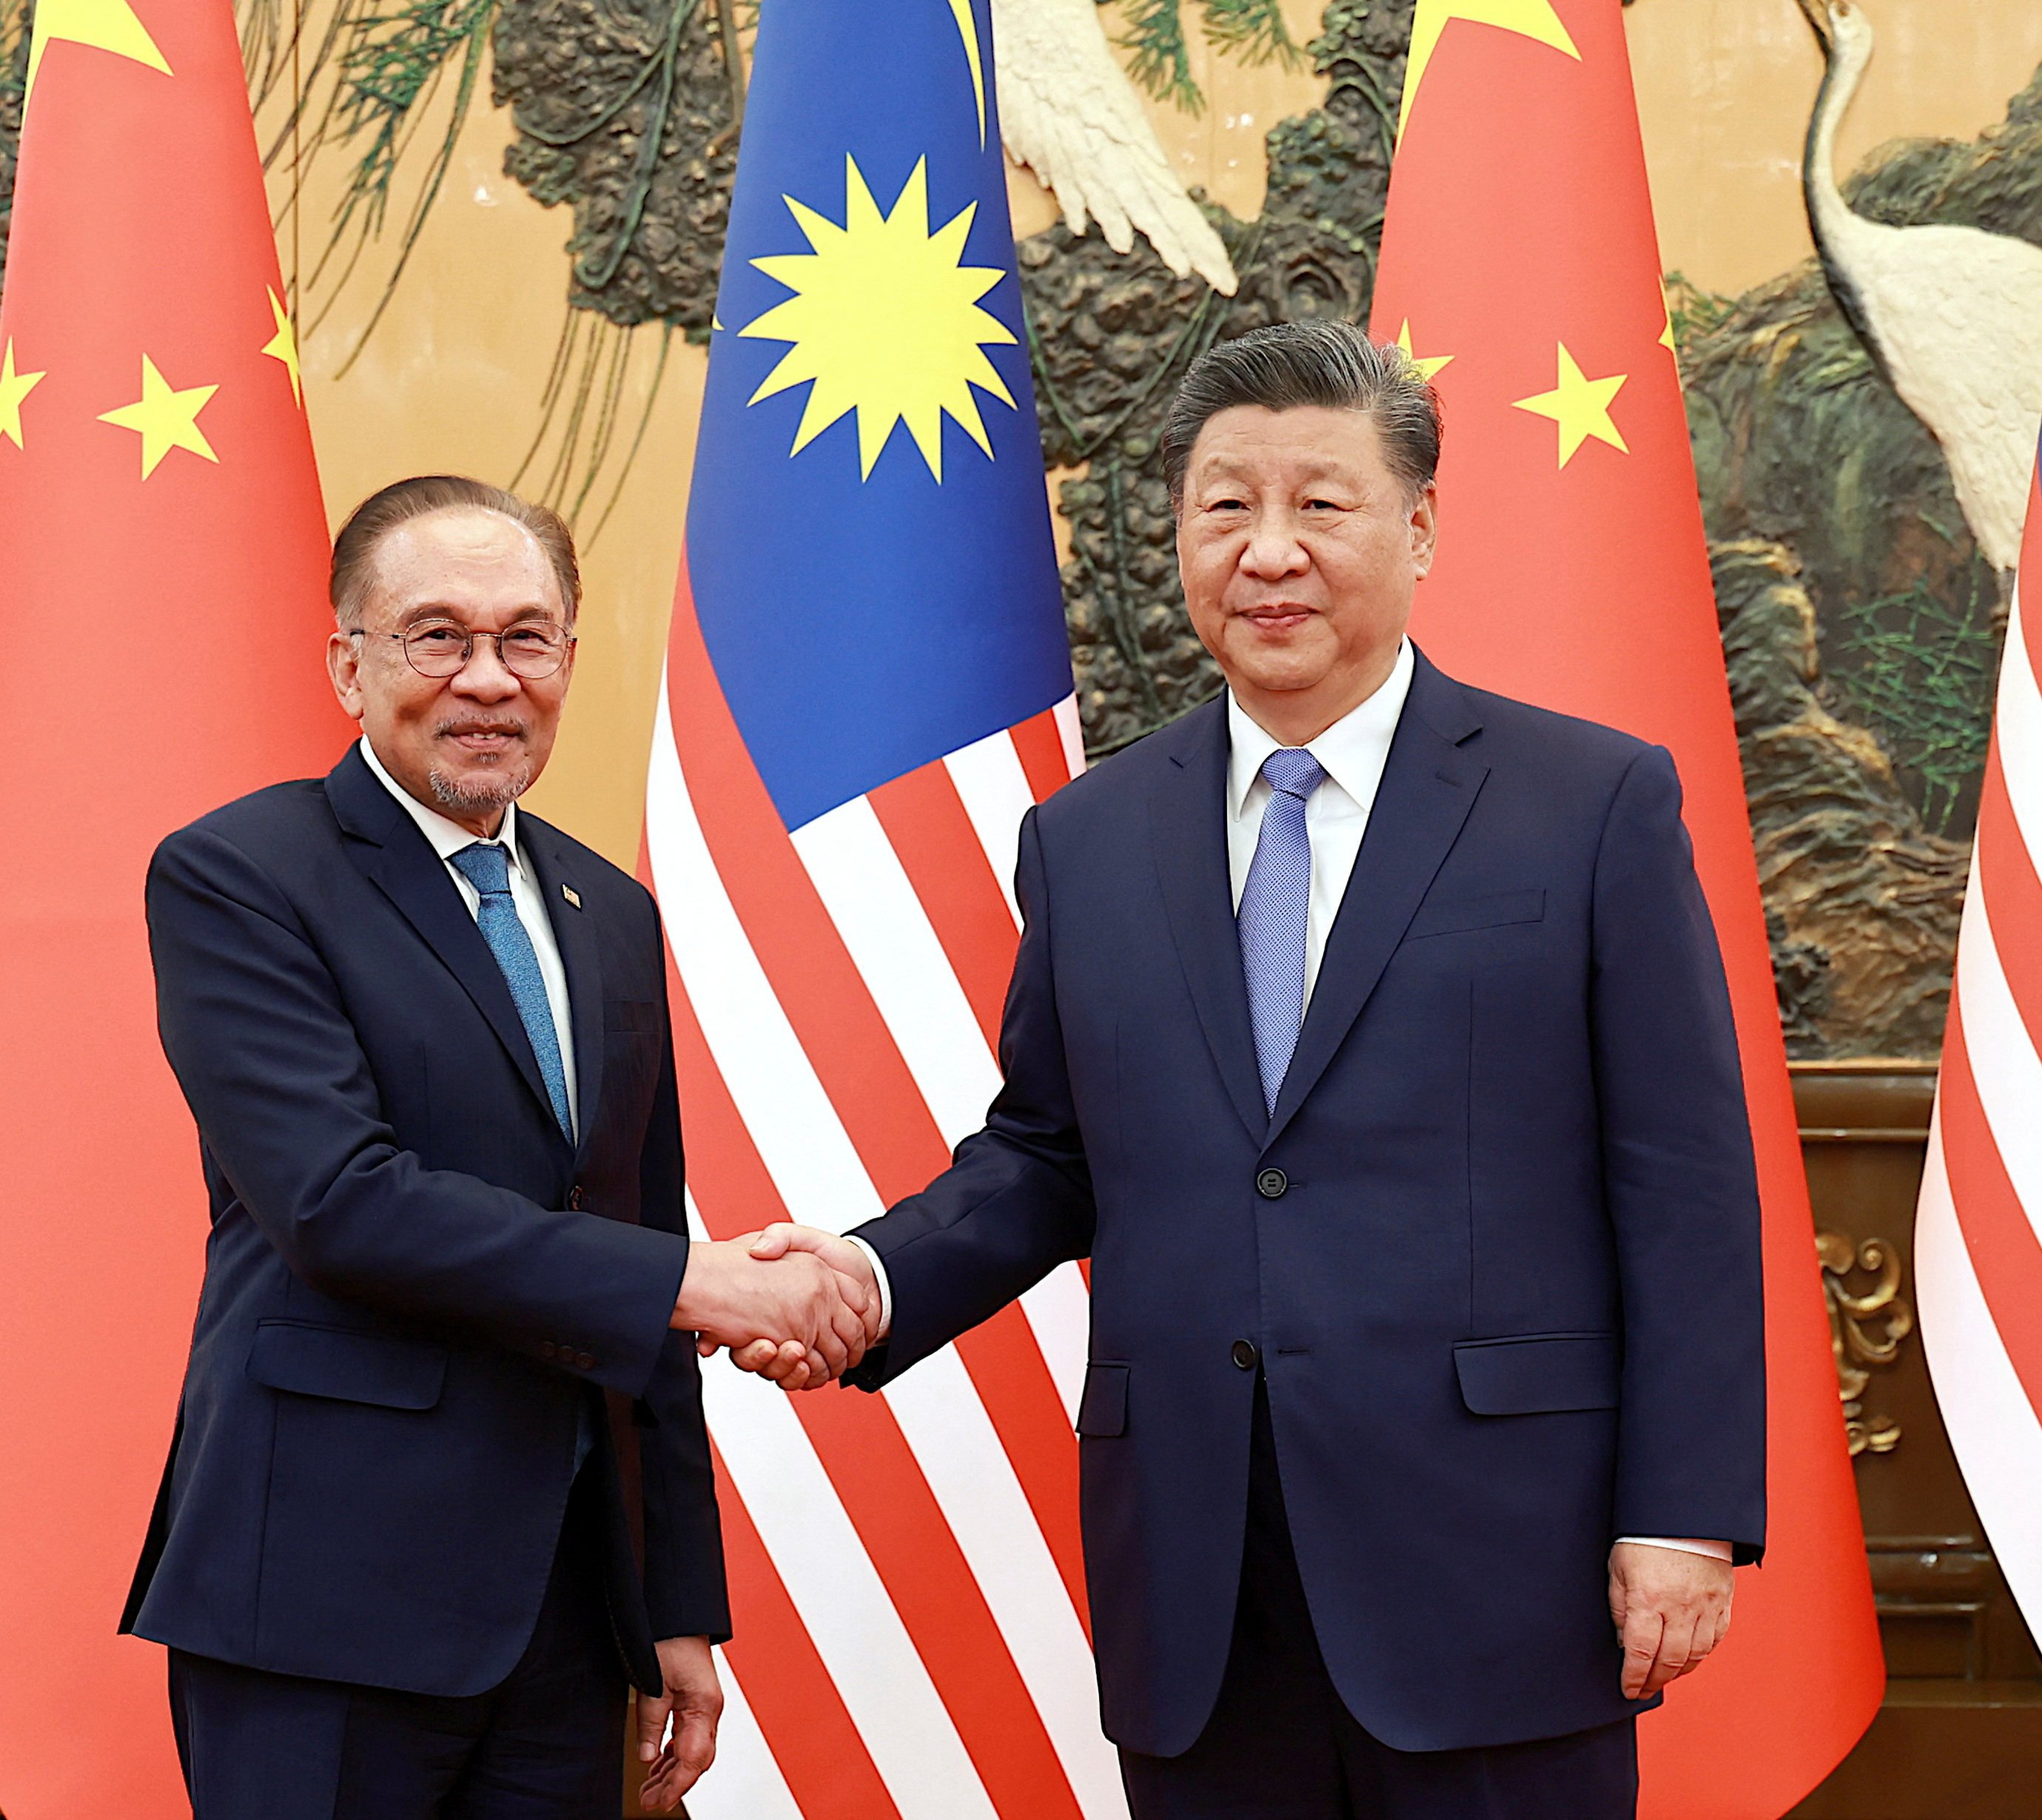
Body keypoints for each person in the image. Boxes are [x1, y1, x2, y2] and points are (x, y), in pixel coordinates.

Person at [739, 321, 1768, 1819]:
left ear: (1417, 527)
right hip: (1203, 1584)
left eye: (1319, 504)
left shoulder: (1586, 802)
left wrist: (1681, 1513)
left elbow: (1678, 1182)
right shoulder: (1087, 841)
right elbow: (1044, 1157)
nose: (1266, 550)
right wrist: (868, 1281)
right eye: (1224, 505)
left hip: (1496, 1568)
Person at [124, 475, 868, 1819]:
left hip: (569, 1621)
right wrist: (700, 1282)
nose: (487, 679)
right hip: (324, 1608)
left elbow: (633, 1251)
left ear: (570, 662)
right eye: (437, 636)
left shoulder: (610, 913)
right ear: (347, 663)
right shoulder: (241, 875)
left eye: (526, 638)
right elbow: (342, 1205)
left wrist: (675, 1609)